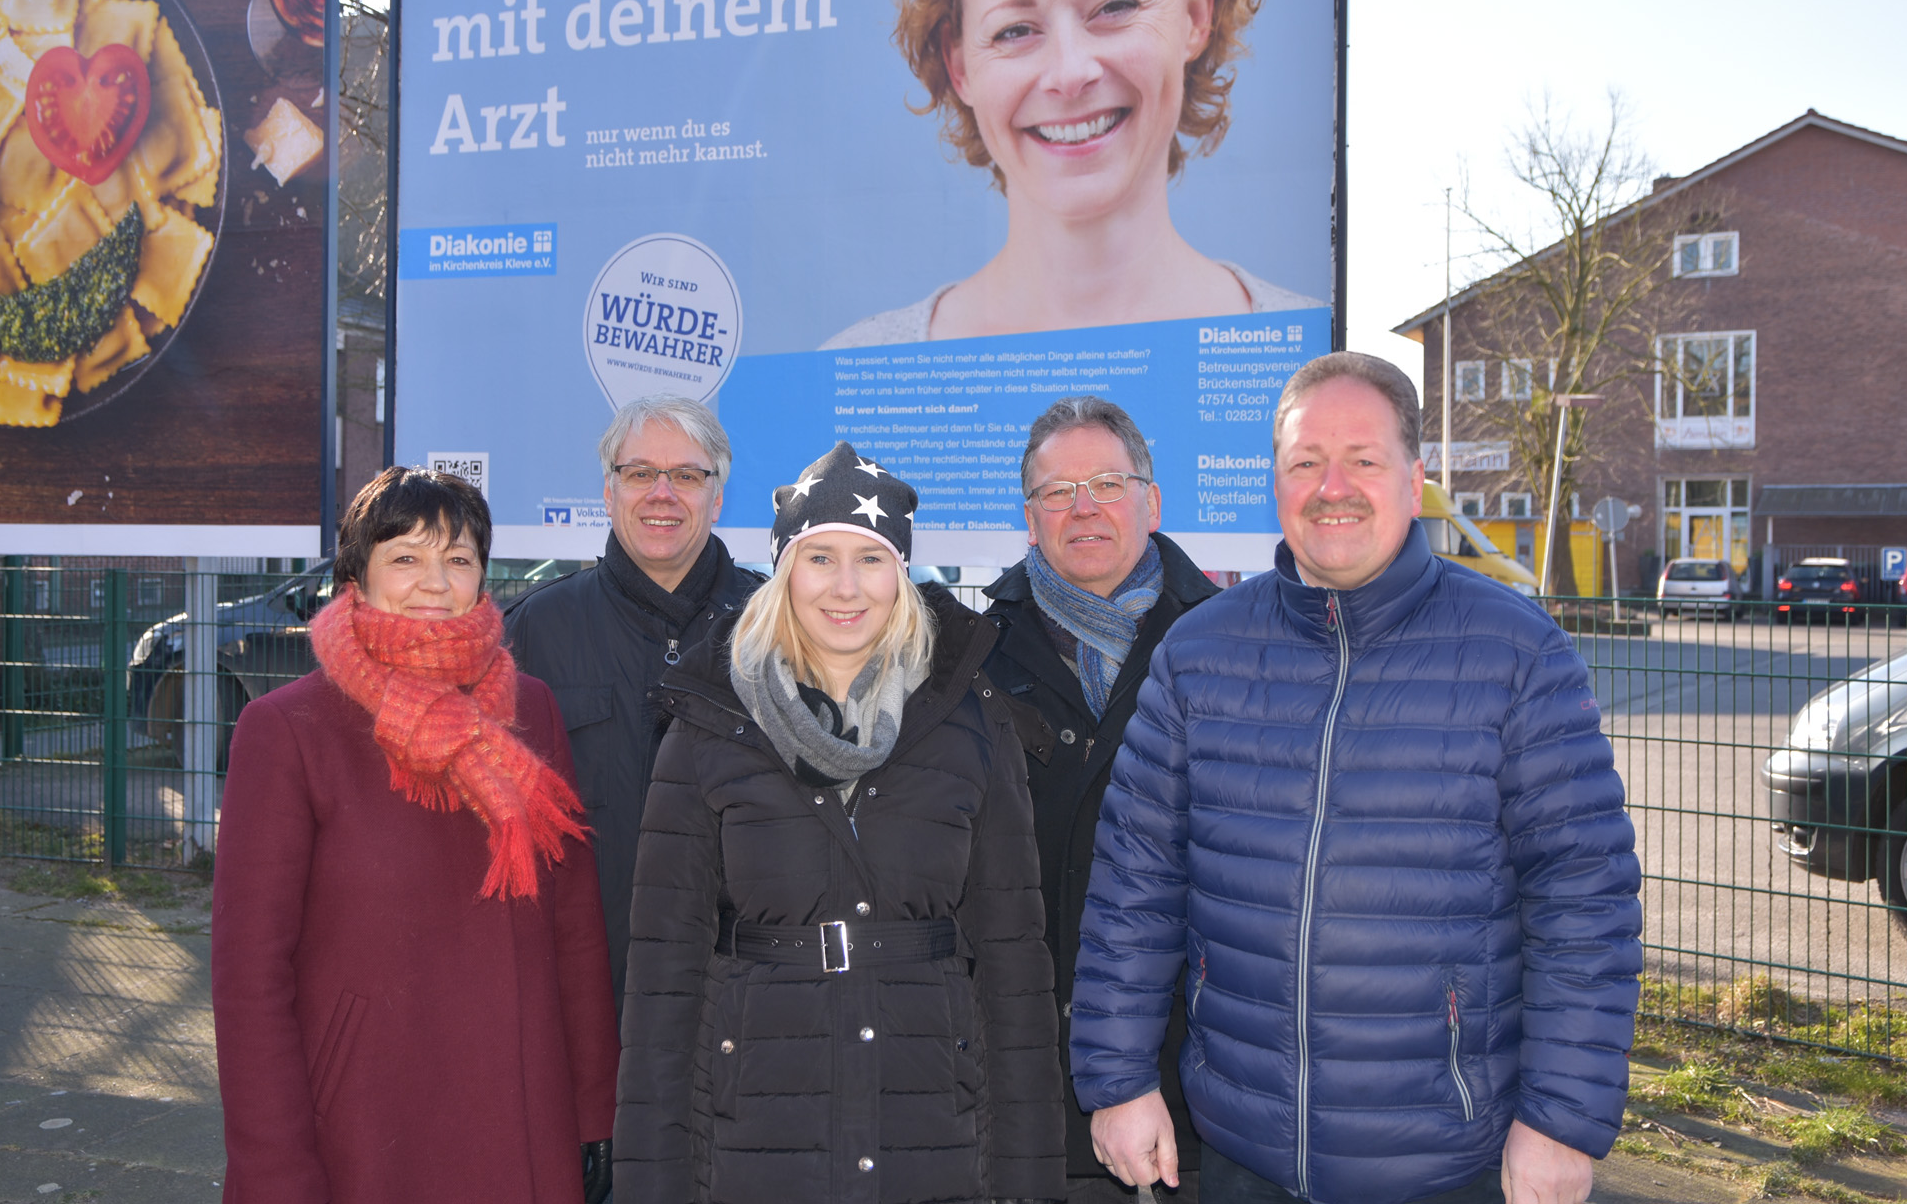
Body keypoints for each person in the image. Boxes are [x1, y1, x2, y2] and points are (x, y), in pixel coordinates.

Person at [1069, 352, 1643, 1204]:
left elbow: (1585, 899)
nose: (1332, 486)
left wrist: (1560, 1119)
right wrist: (1117, 1080)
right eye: (1307, 462)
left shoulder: (1516, 652)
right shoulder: (1198, 655)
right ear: (1277, 482)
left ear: (1415, 481)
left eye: (1363, 460)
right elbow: (1133, 887)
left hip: (1446, 1163)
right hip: (1240, 1154)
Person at [613, 441, 1065, 1203]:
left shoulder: (972, 725)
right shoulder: (709, 722)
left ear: (904, 575)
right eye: (820, 558)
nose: (846, 587)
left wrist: (1030, 1184)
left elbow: (1016, 972)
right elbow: (662, 983)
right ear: (785, 572)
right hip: (752, 1136)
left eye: (871, 559)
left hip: (935, 1136)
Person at [212, 466, 620, 1204]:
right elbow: (248, 980)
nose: (435, 580)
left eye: (458, 558)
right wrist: (274, 1168)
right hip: (364, 1131)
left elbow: (576, 927)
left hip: (519, 1118)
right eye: (405, 556)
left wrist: (594, 1112)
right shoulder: (286, 731)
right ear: (355, 578)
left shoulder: (532, 706)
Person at [820, 0, 1320, 349]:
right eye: (1014, 30)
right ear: (960, 66)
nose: (1069, 72)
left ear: (1195, 13)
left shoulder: (1323, 369)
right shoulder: (849, 375)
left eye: (1116, 7)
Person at [978, 396, 1218, 1200]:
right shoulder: (969, 656)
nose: (1083, 507)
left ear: (1152, 499)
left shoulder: (1226, 643)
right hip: (1020, 1077)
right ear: (1030, 515)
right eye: (1058, 491)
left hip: (1198, 1089)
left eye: (1107, 483)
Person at [504, 394, 764, 1010]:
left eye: (687, 475)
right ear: (608, 492)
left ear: (717, 497)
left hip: (740, 996)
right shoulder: (535, 633)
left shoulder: (774, 629)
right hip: (584, 991)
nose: (662, 493)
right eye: (641, 472)